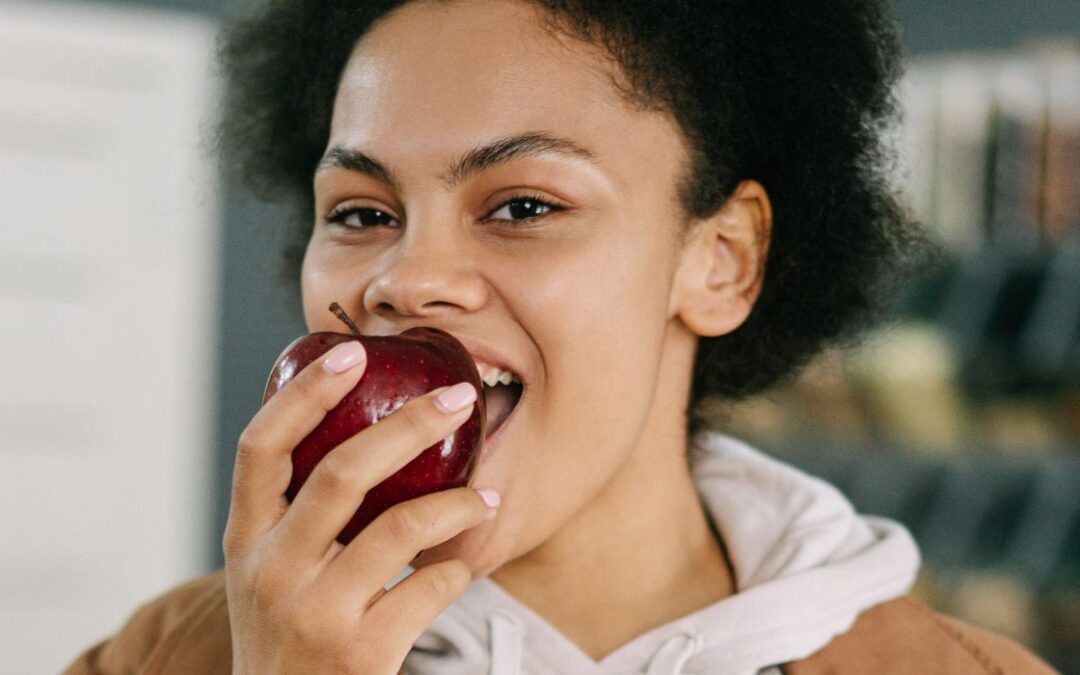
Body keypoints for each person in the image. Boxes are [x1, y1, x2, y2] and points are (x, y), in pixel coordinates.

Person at [66, 0, 1056, 673]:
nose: (405, 280)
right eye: (362, 213)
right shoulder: (170, 655)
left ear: (722, 261)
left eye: (526, 204)